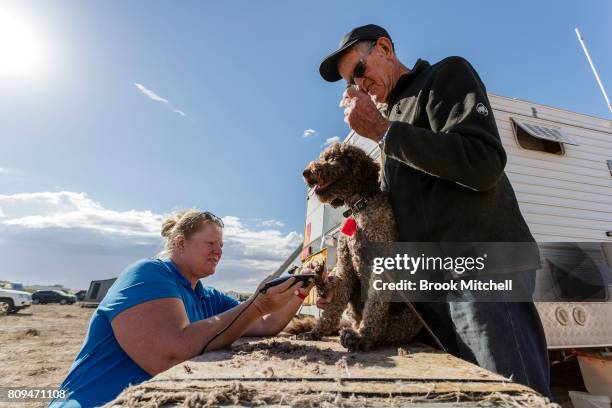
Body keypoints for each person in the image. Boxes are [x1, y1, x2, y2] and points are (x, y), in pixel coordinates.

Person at [316, 24, 551, 398]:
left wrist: (384, 132)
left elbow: (483, 162)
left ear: (385, 48)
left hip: (481, 266)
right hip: (432, 282)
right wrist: (348, 287)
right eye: (350, 84)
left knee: (513, 393)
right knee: (470, 396)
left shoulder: (445, 75)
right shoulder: (391, 118)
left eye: (359, 71)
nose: (359, 86)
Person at [50, 209, 312, 407]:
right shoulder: (148, 273)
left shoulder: (209, 297)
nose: (218, 252)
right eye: (210, 244)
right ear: (180, 243)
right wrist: (256, 304)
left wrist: (300, 291)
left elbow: (268, 325)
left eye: (221, 246)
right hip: (96, 401)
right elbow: (170, 356)